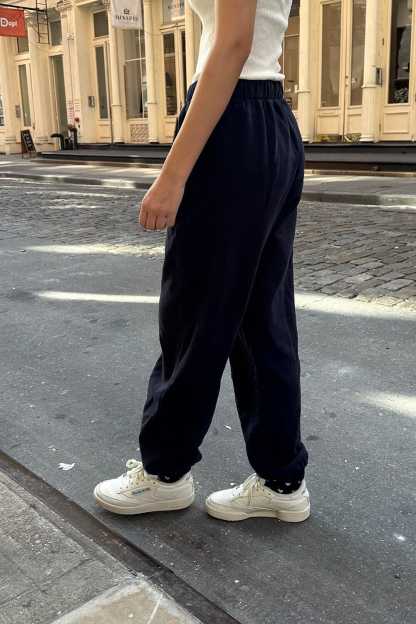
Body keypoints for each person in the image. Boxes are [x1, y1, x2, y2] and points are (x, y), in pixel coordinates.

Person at [93, 0, 310, 523]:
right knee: (263, 317)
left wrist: (173, 176)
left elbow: (232, 44)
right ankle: (281, 478)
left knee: (193, 313)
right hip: (270, 117)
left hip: (231, 123)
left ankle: (165, 472)